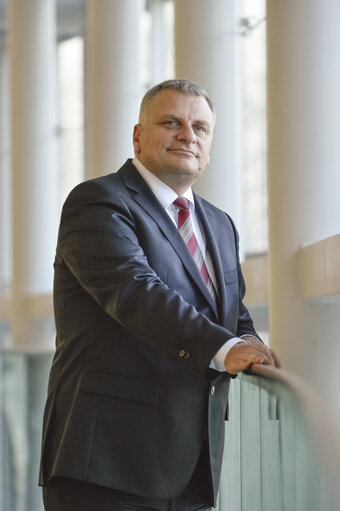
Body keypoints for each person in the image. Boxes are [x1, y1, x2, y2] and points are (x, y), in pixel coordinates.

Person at [40, 79, 281, 511]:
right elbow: (135, 292)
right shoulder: (98, 202)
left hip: (192, 465)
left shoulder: (219, 223)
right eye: (172, 122)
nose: (188, 135)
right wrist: (224, 348)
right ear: (138, 135)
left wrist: (252, 341)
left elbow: (230, 307)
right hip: (107, 465)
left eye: (201, 128)